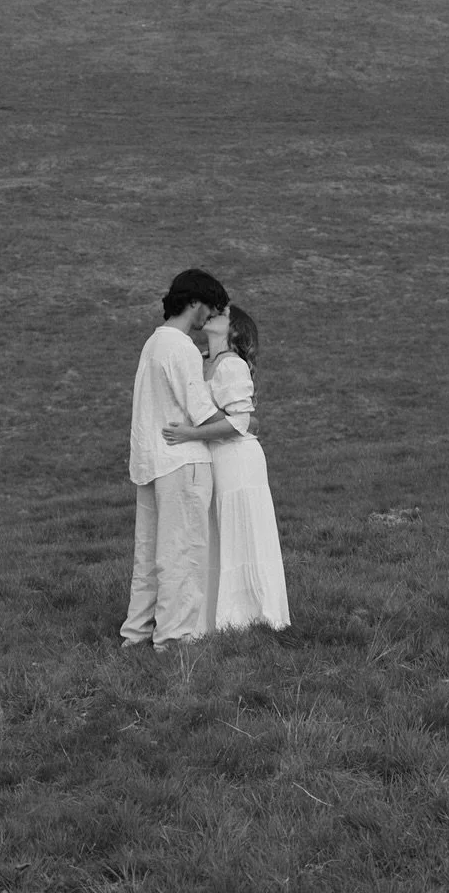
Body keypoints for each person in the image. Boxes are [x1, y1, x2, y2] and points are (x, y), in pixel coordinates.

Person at [162, 301, 290, 633]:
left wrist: (191, 433)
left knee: (241, 530)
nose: (212, 313)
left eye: (222, 313)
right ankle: (216, 619)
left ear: (233, 329)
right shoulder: (201, 360)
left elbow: (241, 423)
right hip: (213, 458)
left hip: (238, 459)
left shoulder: (231, 365)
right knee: (217, 533)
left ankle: (252, 616)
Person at [120, 268, 230, 651]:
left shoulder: (153, 344)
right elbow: (200, 411)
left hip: (150, 459)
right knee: (182, 551)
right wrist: (238, 421)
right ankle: (173, 636)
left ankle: (136, 634)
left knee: (148, 555)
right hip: (182, 462)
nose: (208, 318)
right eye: (209, 308)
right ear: (194, 302)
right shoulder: (180, 347)